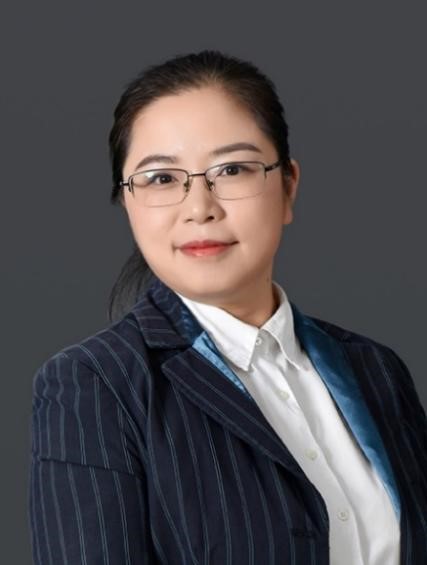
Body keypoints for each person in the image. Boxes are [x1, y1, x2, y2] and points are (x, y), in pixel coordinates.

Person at [29, 49, 427, 565]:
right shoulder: (94, 385)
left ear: (288, 186)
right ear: (127, 202)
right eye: (161, 178)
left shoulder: (375, 370)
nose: (200, 208)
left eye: (233, 169)